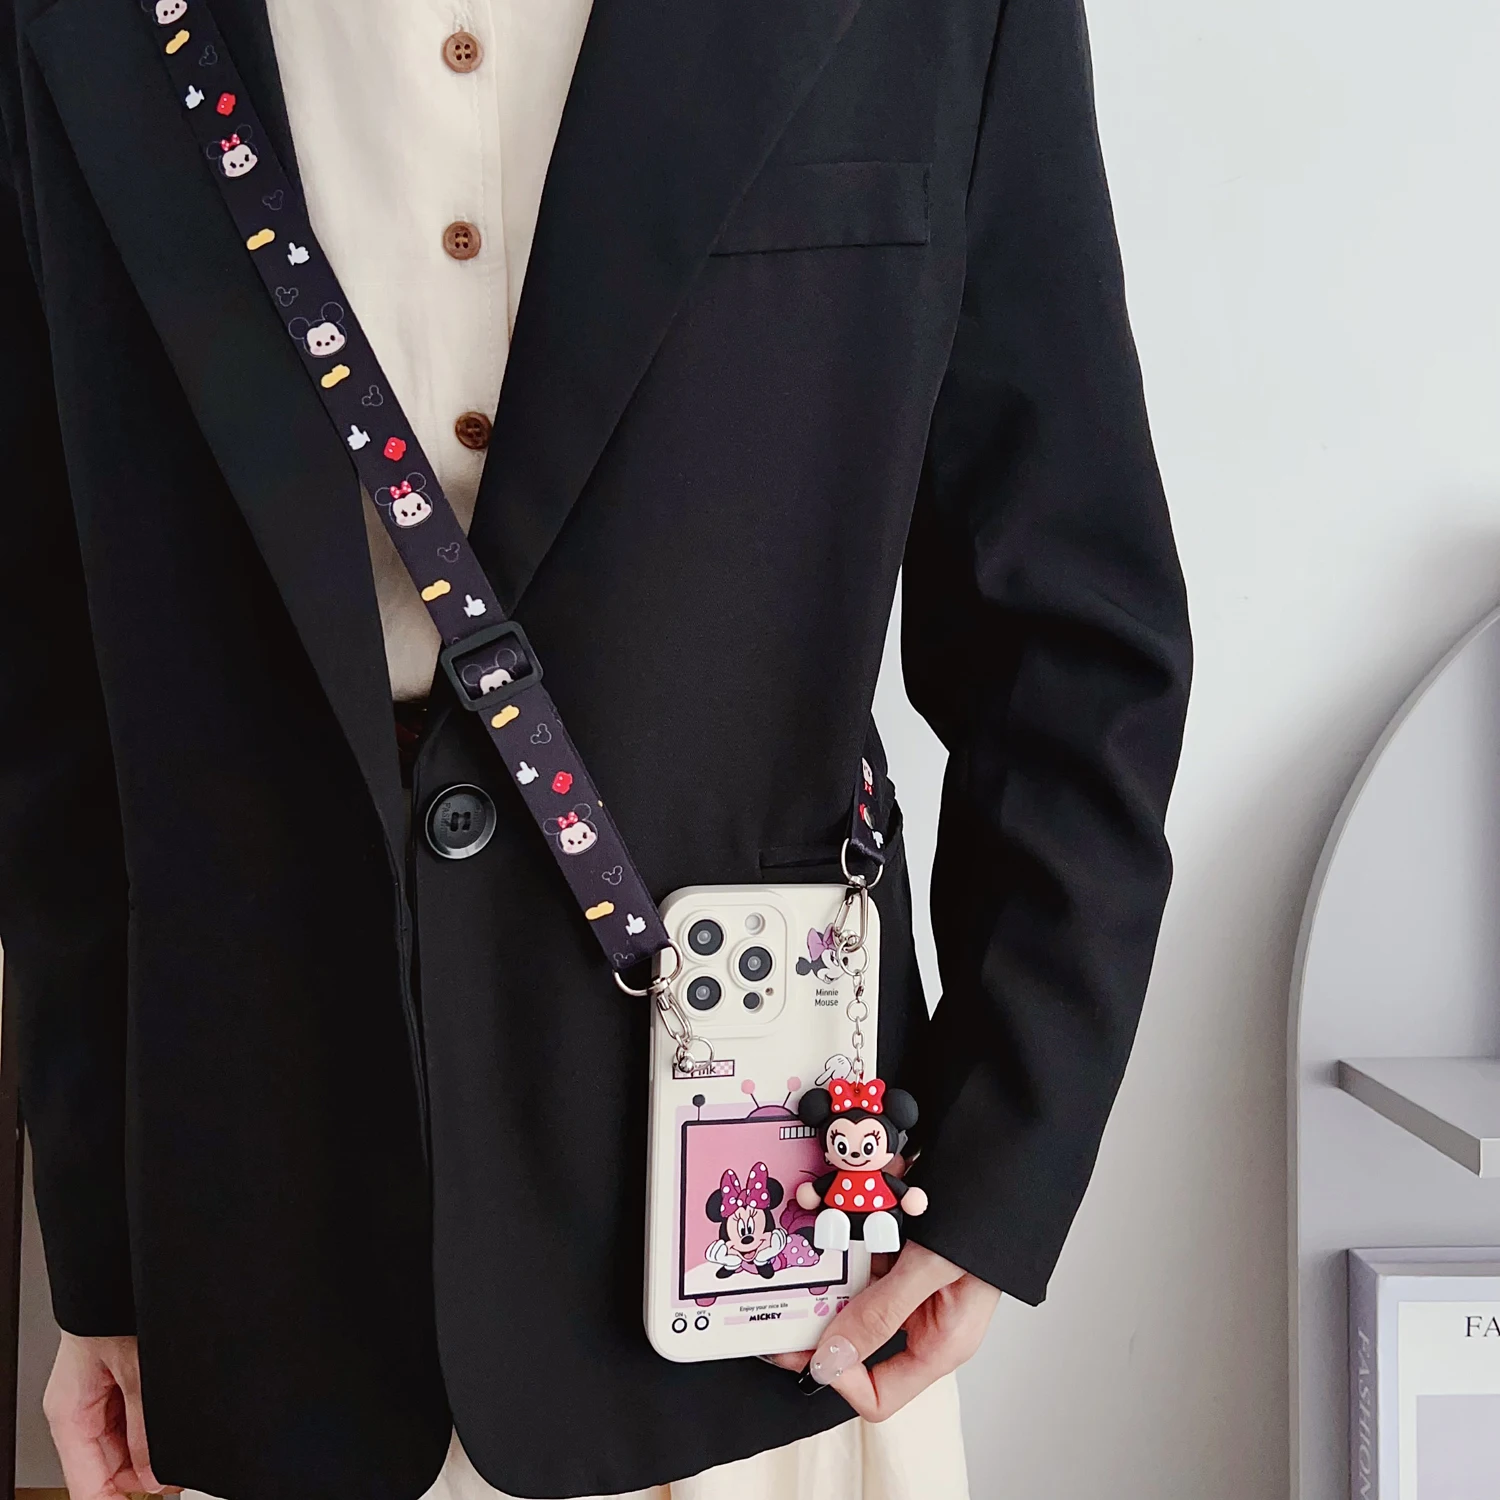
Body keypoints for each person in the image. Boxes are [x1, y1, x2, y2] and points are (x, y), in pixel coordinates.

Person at [0, 0, 1191, 1494]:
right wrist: (103, 1250)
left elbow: (1067, 622)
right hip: (265, 1245)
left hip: (773, 1279)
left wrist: (1003, 1165)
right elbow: (49, 674)